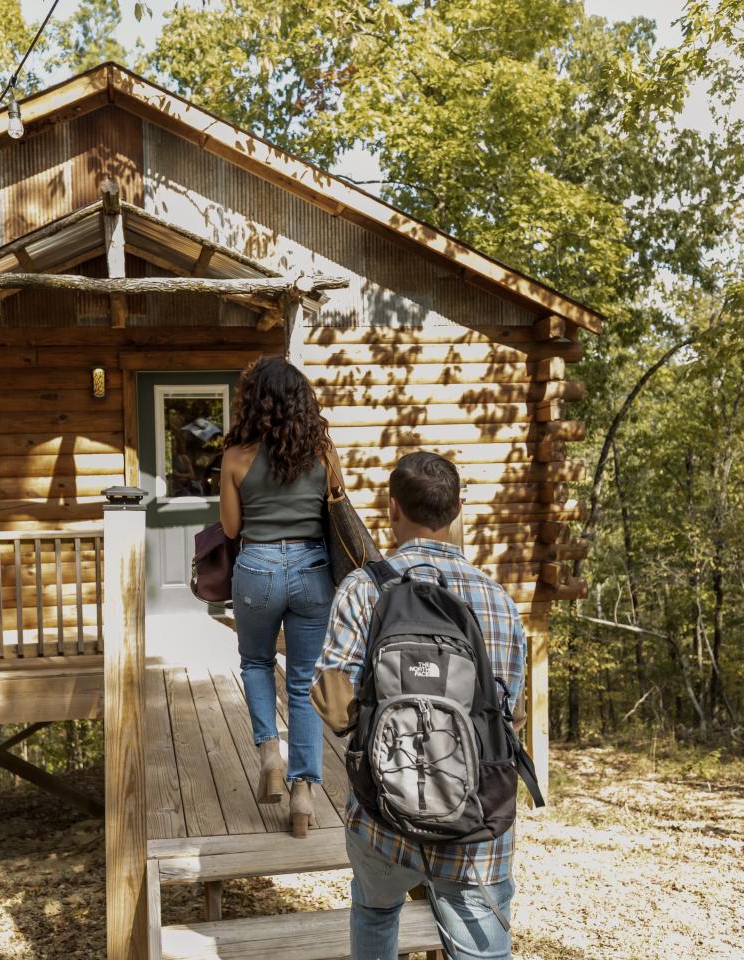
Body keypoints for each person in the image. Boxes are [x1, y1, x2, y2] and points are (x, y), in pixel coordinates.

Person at [311, 451, 527, 960]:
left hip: (383, 818)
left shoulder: (363, 589)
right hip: (474, 824)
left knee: (374, 911)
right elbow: (511, 715)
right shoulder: (497, 599)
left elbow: (337, 708)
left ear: (391, 510)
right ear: (456, 514)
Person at [219, 356, 342, 838]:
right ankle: (304, 795)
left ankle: (270, 753)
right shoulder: (323, 452)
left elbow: (231, 529)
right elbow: (337, 512)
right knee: (305, 680)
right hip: (313, 571)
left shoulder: (235, 457)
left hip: (258, 569)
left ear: (253, 403)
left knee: (255, 662)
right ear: (301, 402)